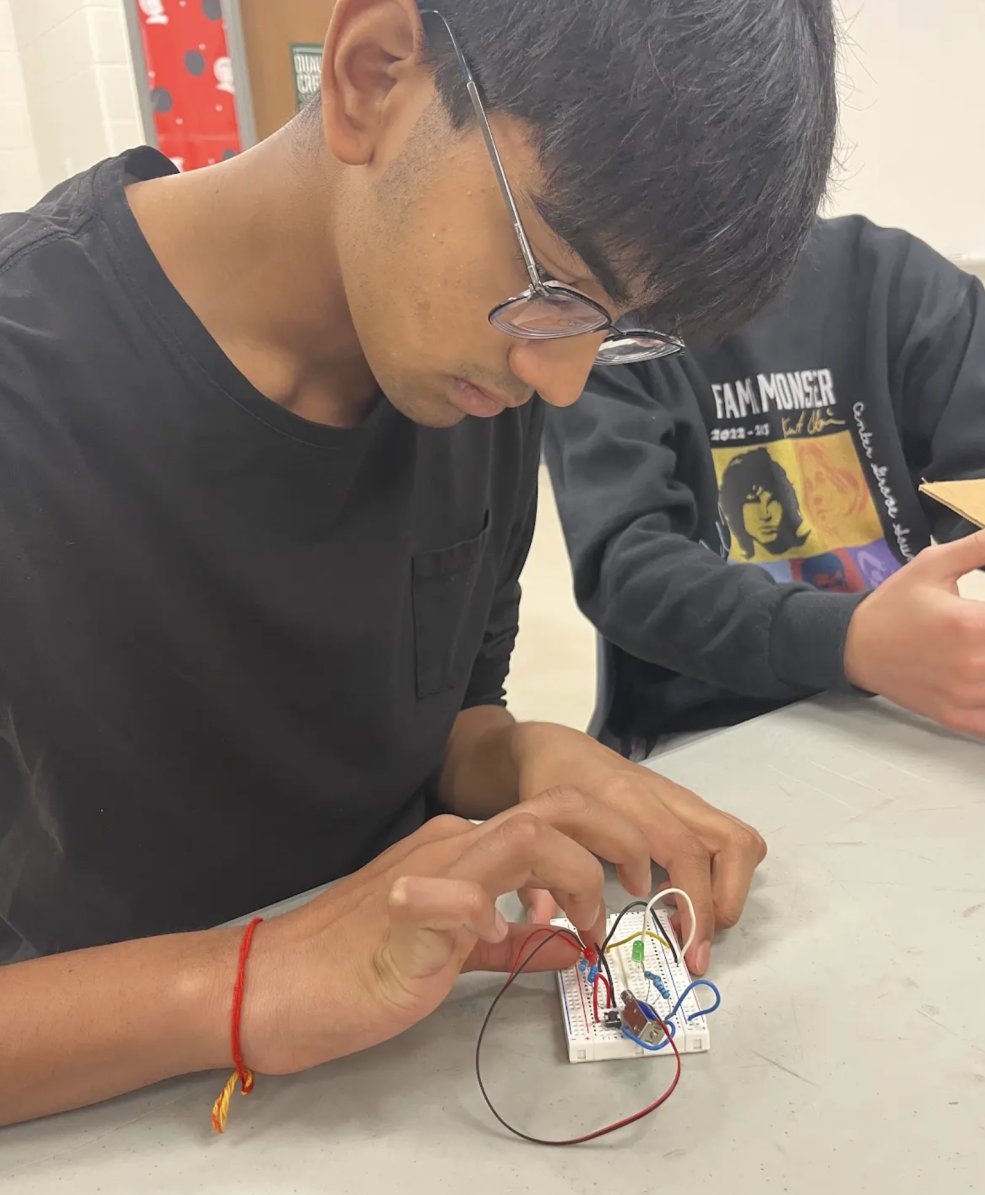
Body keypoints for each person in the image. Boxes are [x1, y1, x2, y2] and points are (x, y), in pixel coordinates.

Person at [0, 0, 837, 1126]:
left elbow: (443, 716)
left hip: (405, 1083)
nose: (564, 382)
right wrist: (240, 984)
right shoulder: (30, 384)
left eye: (617, 324)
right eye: (555, 277)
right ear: (373, 74)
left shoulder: (473, 368)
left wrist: (528, 758)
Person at [543, 214, 985, 755]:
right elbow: (626, 567)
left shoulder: (897, 281)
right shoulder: (608, 306)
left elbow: (974, 474)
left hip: (899, 702)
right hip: (704, 725)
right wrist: (849, 640)